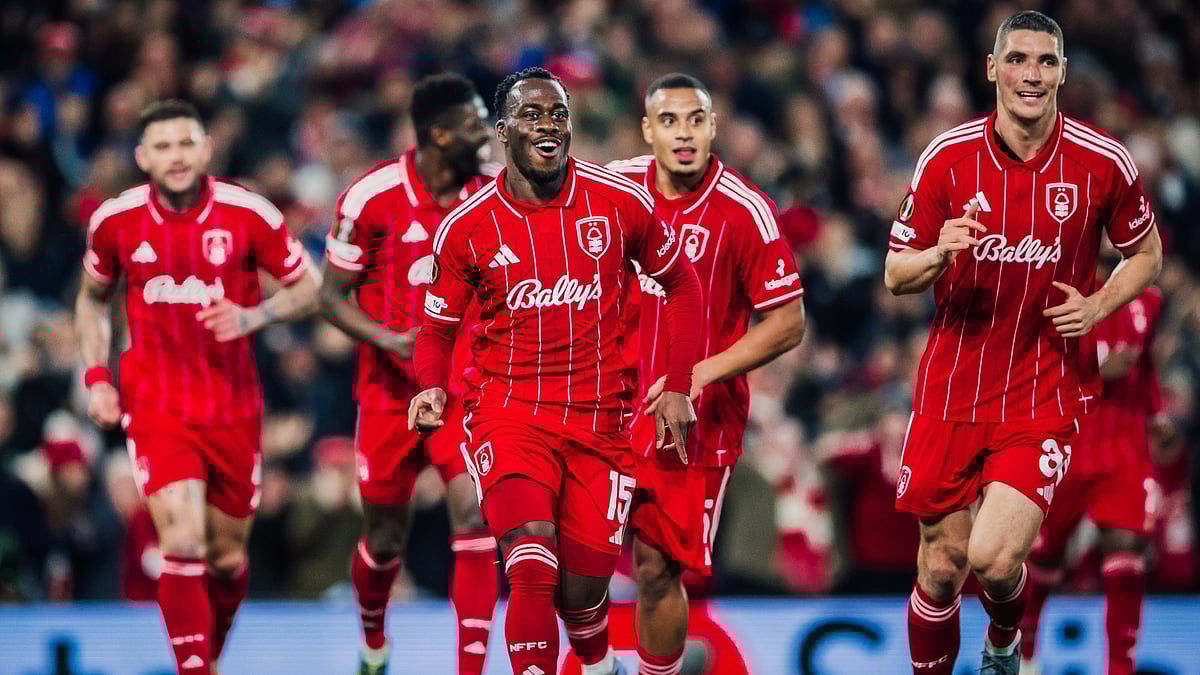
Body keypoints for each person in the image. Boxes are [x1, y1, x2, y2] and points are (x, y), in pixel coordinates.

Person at [883, 10, 1163, 674]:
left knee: (992, 557)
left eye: (1045, 61)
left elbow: (1147, 254)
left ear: (1062, 72)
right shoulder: (947, 157)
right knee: (942, 566)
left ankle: (1005, 638)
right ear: (992, 69)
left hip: (1043, 390)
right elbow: (895, 272)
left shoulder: (1103, 161)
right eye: (1017, 59)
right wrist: (939, 252)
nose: (1030, 74)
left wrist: (1098, 305)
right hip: (952, 388)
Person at [408, 66, 703, 675]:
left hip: (601, 422)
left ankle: (597, 661)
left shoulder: (620, 203)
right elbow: (436, 326)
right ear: (502, 131)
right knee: (530, 555)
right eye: (532, 114)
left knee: (582, 596)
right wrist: (431, 386)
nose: (549, 125)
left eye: (559, 114)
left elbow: (682, 283)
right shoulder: (467, 227)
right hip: (508, 412)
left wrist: (678, 385)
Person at [76, 99, 319, 674]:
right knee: (182, 542)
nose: (176, 156)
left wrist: (255, 315)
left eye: (186, 143)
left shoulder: (249, 212)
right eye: (163, 146)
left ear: (207, 148)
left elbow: (312, 288)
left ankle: (206, 658)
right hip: (156, 402)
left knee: (227, 560)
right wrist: (98, 379)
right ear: (143, 157)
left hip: (233, 405)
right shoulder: (115, 219)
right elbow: (92, 299)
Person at [606, 73, 806, 675]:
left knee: (656, 569)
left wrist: (696, 374)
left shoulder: (745, 211)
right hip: (605, 406)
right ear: (647, 130)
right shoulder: (612, 188)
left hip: (692, 424)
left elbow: (788, 322)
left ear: (713, 127)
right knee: (575, 562)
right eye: (669, 121)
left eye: (696, 120)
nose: (684, 134)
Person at [318, 72, 499, 675]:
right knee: (384, 541)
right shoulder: (371, 197)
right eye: (475, 124)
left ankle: (470, 668)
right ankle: (374, 644)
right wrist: (390, 340)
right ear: (440, 134)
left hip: (465, 391)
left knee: (474, 516)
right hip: (388, 396)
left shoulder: (492, 194)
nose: (485, 135)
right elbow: (329, 296)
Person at [1020, 269, 1165, 675]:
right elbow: (1029, 360)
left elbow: (1146, 365)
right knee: (1042, 557)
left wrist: (1157, 415)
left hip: (1125, 444)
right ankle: (1025, 655)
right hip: (1066, 440)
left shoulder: (1147, 297)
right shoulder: (1054, 282)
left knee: (1127, 544)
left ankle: (1120, 667)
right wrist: (1099, 366)